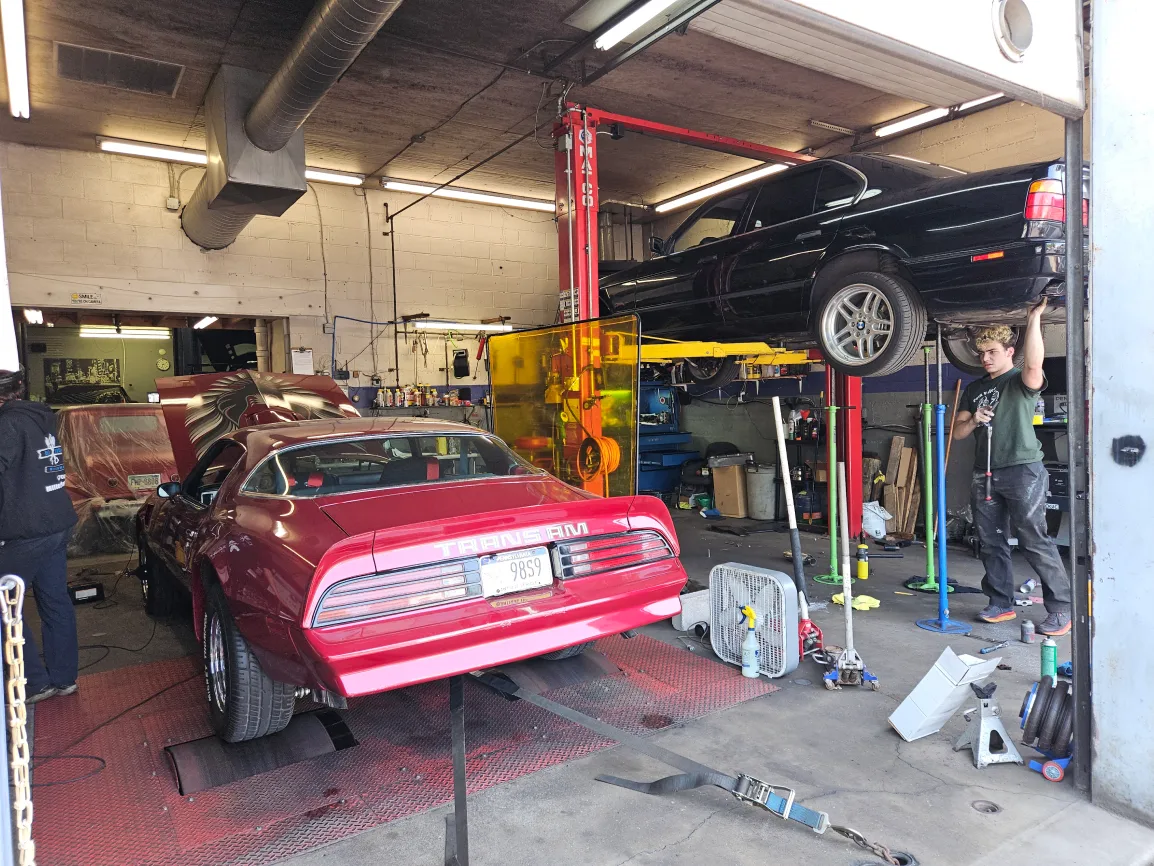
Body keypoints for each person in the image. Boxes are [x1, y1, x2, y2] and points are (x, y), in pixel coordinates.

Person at [952, 299, 1071, 635]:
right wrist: (974, 420)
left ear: (1009, 351)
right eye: (981, 353)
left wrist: (1033, 318)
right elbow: (958, 432)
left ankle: (1061, 609)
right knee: (990, 540)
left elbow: (1035, 363)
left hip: (1023, 470)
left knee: (1034, 539)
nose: (985, 358)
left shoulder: (1020, 380)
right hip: (984, 473)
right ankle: (1001, 603)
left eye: (991, 351)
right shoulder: (975, 389)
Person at [0, 369, 79, 702]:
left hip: (26, 529)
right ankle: (64, 678)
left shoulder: (6, 424)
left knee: (5, 607)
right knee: (55, 601)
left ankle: (33, 682)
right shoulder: (40, 417)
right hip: (56, 521)